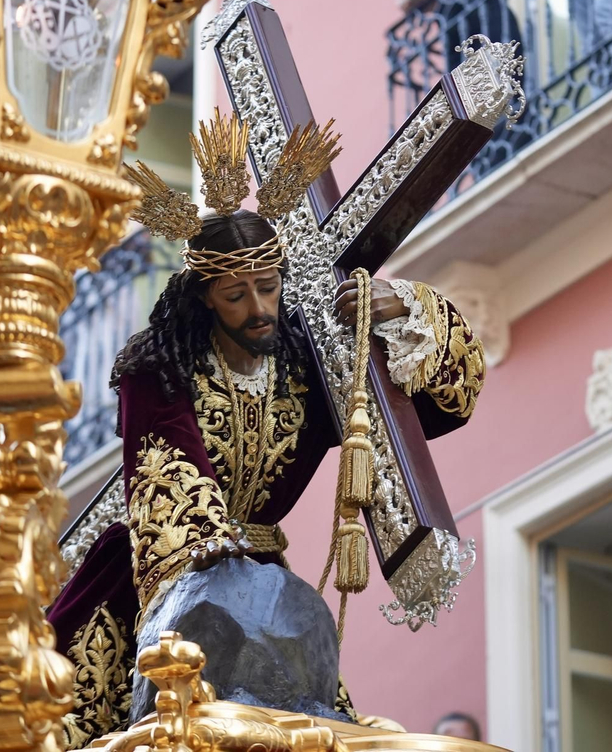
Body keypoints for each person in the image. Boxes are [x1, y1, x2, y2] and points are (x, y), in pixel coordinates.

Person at [44, 121, 487, 747]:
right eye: (236, 294)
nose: (258, 308)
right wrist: (208, 566)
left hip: (259, 580)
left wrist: (404, 309)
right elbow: (171, 470)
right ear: (205, 301)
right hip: (155, 581)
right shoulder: (159, 367)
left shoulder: (308, 364)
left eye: (268, 287)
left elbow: (435, 410)